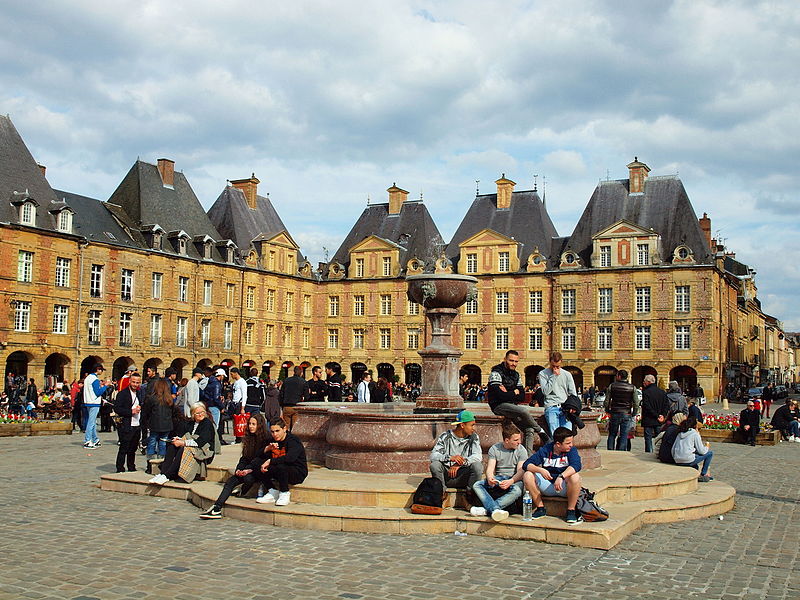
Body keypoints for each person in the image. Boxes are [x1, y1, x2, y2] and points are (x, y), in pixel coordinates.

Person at [199, 413, 270, 519]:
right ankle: (217, 508)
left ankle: (242, 490)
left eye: (253, 424)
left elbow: (260, 459)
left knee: (248, 478)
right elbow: (244, 458)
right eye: (250, 423)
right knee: (230, 482)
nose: (251, 426)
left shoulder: (266, 440)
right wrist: (239, 469)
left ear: (260, 425)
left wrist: (248, 470)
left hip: (258, 471)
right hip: (247, 468)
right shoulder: (248, 439)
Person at [488, 350, 549, 453]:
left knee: (529, 430)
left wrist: (508, 393)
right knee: (524, 411)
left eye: (516, 361)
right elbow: (499, 396)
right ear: (505, 359)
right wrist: (513, 392)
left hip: (512, 406)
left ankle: (527, 459)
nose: (514, 364)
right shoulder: (496, 373)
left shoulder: (516, 375)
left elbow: (522, 396)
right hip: (498, 406)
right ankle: (541, 431)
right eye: (511, 361)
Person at [521, 426, 583, 523]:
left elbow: (577, 465)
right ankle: (540, 508)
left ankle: (571, 510)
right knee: (527, 475)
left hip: (564, 487)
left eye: (571, 442)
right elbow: (526, 464)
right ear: (558, 444)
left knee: (575, 476)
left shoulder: (571, 450)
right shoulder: (545, 450)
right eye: (568, 443)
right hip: (548, 485)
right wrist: (540, 470)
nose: (571, 445)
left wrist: (561, 476)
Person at [471, 421, 527, 522]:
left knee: (517, 490)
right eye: (516, 440)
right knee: (477, 485)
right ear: (507, 440)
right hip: (499, 478)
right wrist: (490, 478)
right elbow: (490, 468)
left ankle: (488, 510)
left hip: (514, 479)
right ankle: (495, 510)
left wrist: (511, 481)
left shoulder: (521, 450)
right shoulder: (495, 448)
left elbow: (520, 471)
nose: (519, 442)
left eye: (519, 439)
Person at [149, 404, 219, 485]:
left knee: (184, 449)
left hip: (204, 450)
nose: (200, 415)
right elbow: (185, 436)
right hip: (194, 445)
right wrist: (178, 439)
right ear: (193, 414)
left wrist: (183, 443)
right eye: (197, 413)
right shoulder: (191, 423)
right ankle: (163, 473)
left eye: (202, 412)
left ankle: (167, 475)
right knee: (172, 446)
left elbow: (200, 442)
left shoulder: (207, 423)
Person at [253, 417, 308, 506]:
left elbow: (290, 458)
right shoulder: (272, 440)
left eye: (277, 431)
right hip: (279, 471)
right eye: (272, 432)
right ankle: (272, 491)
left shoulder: (293, 441)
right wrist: (268, 448)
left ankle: (284, 493)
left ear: (284, 429)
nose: (275, 434)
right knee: (257, 463)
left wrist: (270, 461)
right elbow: (256, 455)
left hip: (296, 472)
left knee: (281, 466)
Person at [429, 409, 483, 492]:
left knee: (478, 466)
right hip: (447, 476)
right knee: (435, 465)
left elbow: (478, 456)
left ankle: (470, 495)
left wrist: (460, 464)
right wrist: (450, 458)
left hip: (463, 476)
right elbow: (433, 456)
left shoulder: (474, 437)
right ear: (462, 425)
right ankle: (440, 492)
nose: (474, 428)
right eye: (472, 425)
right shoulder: (445, 436)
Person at [538, 351, 577, 436]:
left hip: (565, 407)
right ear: (550, 362)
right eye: (553, 366)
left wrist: (573, 406)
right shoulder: (543, 373)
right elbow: (545, 392)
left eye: (558, 366)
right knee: (555, 436)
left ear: (561, 362)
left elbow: (573, 393)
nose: (555, 368)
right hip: (551, 406)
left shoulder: (567, 374)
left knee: (567, 435)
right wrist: (553, 377)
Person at [113, 372, 143, 472]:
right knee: (124, 448)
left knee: (133, 449)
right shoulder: (123, 393)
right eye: (134, 382)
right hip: (126, 424)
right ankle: (120, 468)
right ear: (130, 381)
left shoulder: (140, 393)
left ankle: (131, 467)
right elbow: (117, 408)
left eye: (138, 382)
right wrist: (131, 411)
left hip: (137, 424)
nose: (135, 384)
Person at [604, 369, 638, 451]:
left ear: (619, 376)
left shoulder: (612, 386)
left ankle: (610, 450)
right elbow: (636, 402)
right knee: (624, 435)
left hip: (615, 412)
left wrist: (607, 410)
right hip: (626, 413)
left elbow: (607, 400)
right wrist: (634, 413)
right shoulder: (632, 387)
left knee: (612, 434)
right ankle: (622, 452)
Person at [672, 416, 714, 481]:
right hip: (687, 459)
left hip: (677, 459)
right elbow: (702, 451)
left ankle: (696, 475)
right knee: (709, 453)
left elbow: (673, 448)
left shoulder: (680, 433)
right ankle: (703, 474)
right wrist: (707, 447)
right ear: (695, 426)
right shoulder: (694, 433)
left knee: (695, 464)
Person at [142, 378, 174, 460]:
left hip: (154, 424)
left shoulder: (152, 399)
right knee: (163, 444)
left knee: (152, 442)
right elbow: (173, 412)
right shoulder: (169, 399)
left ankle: (150, 462)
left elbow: (147, 411)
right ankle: (161, 462)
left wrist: (146, 422)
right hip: (166, 425)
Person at [640, 374, 670, 453]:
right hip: (659, 420)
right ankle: (659, 452)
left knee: (648, 438)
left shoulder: (646, 392)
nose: (643, 383)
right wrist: (662, 415)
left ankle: (649, 453)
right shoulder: (662, 392)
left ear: (648, 382)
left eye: (644, 381)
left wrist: (656, 415)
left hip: (649, 419)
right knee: (659, 438)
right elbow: (666, 405)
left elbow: (647, 406)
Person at [83, 364, 110, 448]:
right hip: (94, 402)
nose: (102, 372)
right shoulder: (95, 379)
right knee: (91, 422)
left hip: (88, 401)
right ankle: (87, 440)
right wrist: (105, 386)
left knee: (93, 421)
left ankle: (95, 439)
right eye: (101, 370)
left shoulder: (87, 378)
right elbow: (98, 392)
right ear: (98, 369)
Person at [279, 366, 309, 430]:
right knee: (295, 427)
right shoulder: (303, 382)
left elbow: (281, 394)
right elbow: (307, 397)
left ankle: (286, 439)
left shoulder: (286, 380)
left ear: (294, 372)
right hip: (297, 407)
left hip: (287, 406)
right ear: (301, 372)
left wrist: (282, 405)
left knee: (286, 427)